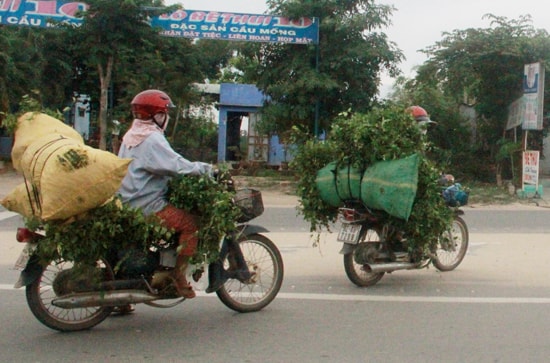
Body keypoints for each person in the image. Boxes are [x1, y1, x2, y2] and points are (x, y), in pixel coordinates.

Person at [117, 89, 213, 300]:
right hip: (146, 206)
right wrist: (206, 169)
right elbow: (177, 165)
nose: (166, 118)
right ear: (157, 115)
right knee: (190, 225)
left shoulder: (131, 136)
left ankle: (123, 300)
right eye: (165, 113)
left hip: (128, 202)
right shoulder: (152, 140)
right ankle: (178, 276)